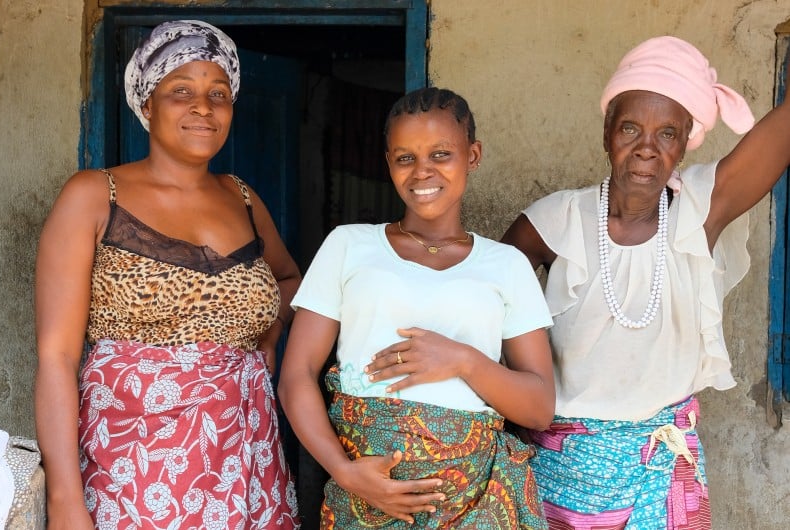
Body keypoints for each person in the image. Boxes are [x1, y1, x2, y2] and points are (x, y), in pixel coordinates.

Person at [501, 35, 790, 529]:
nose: (646, 150)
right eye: (630, 128)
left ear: (683, 145)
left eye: (667, 134)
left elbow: (778, 139)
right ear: (607, 132)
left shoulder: (699, 210)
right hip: (558, 464)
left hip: (662, 466)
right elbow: (484, 310)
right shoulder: (552, 222)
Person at [34, 20, 301, 530]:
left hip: (244, 463)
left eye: (218, 93)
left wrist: (270, 332)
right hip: (130, 465)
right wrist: (65, 499)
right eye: (181, 91)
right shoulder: (94, 197)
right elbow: (56, 358)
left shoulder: (242, 198)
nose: (203, 108)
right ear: (147, 103)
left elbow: (291, 281)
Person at [278, 87, 555, 529]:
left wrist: (462, 360)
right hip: (363, 499)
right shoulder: (349, 246)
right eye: (405, 157)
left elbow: (539, 407)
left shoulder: (506, 265)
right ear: (388, 162)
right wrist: (345, 472)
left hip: (475, 501)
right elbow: (296, 376)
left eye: (441, 154)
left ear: (473, 155)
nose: (422, 171)